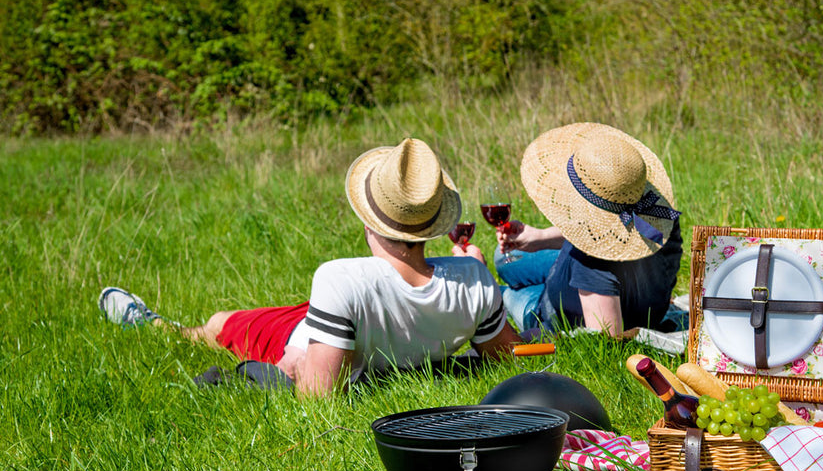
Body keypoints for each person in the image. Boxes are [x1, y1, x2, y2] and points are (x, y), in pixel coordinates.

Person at [99, 138, 521, 397]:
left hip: (319, 326)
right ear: (432, 224)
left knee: (220, 324)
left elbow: (317, 398)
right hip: (335, 315)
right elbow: (506, 360)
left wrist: (296, 366)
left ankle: (155, 326)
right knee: (284, 316)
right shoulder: (474, 279)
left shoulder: (339, 278)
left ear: (368, 217)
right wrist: (478, 279)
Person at [456, 122, 682, 338]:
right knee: (503, 257)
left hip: (547, 305)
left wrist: (483, 288)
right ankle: (507, 279)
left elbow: (609, 339)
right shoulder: (658, 214)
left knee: (505, 289)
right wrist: (541, 237)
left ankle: (498, 292)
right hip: (574, 275)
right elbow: (607, 231)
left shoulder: (593, 262)